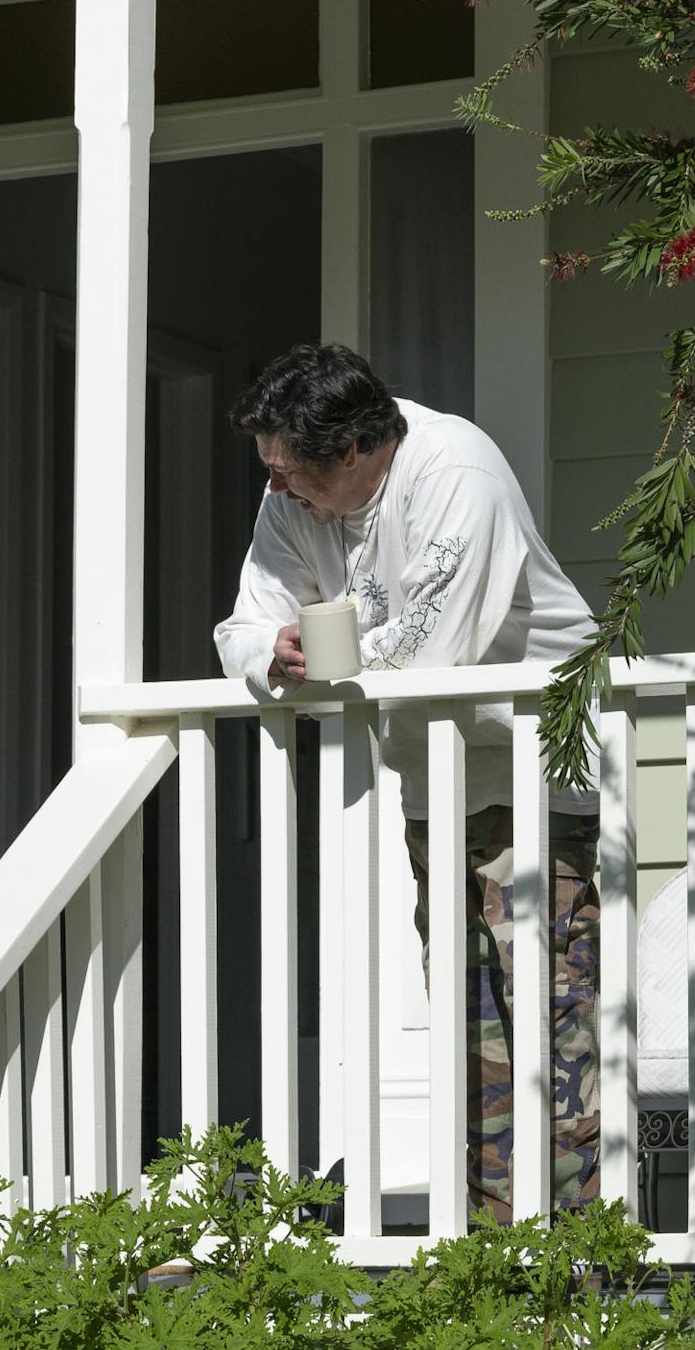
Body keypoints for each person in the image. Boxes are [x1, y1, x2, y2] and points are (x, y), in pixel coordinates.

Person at [210, 342, 605, 1219]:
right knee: (472, 1032)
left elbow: (436, 648)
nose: (276, 490)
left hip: (535, 784)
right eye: (268, 471)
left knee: (551, 1026)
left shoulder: (456, 469)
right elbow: (249, 618)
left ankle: (574, 1281)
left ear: (352, 450)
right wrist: (268, 657)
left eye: (288, 471)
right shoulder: (297, 499)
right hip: (437, 785)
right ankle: (494, 1264)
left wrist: (325, 666)